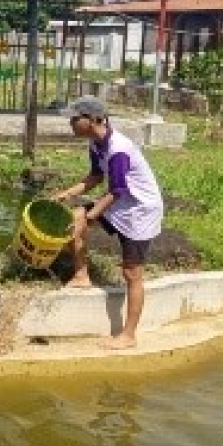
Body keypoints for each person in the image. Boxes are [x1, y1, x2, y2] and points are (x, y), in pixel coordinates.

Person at [51, 95, 164, 349]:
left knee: (132, 272)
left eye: (74, 118)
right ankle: (81, 276)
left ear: (93, 120)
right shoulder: (95, 143)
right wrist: (68, 193)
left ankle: (129, 335)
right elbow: (95, 176)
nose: (70, 123)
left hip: (140, 210)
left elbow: (116, 191)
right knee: (76, 218)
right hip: (121, 202)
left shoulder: (118, 150)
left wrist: (92, 216)